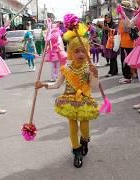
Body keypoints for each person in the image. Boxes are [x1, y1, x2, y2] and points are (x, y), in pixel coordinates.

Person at [35, 23, 99, 168]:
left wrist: (95, 74)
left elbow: (94, 87)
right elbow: (57, 85)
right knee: (71, 126)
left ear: (88, 51)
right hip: (69, 101)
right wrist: (44, 84)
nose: (81, 54)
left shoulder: (90, 68)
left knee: (84, 128)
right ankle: (76, 151)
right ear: (70, 52)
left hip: (85, 101)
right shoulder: (66, 68)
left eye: (83, 51)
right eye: (77, 51)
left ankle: (84, 140)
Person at [118, 0, 135, 84]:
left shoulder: (128, 17)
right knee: (124, 60)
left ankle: (128, 77)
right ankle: (127, 76)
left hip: (128, 42)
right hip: (124, 42)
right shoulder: (124, 17)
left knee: (126, 60)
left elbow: (127, 28)